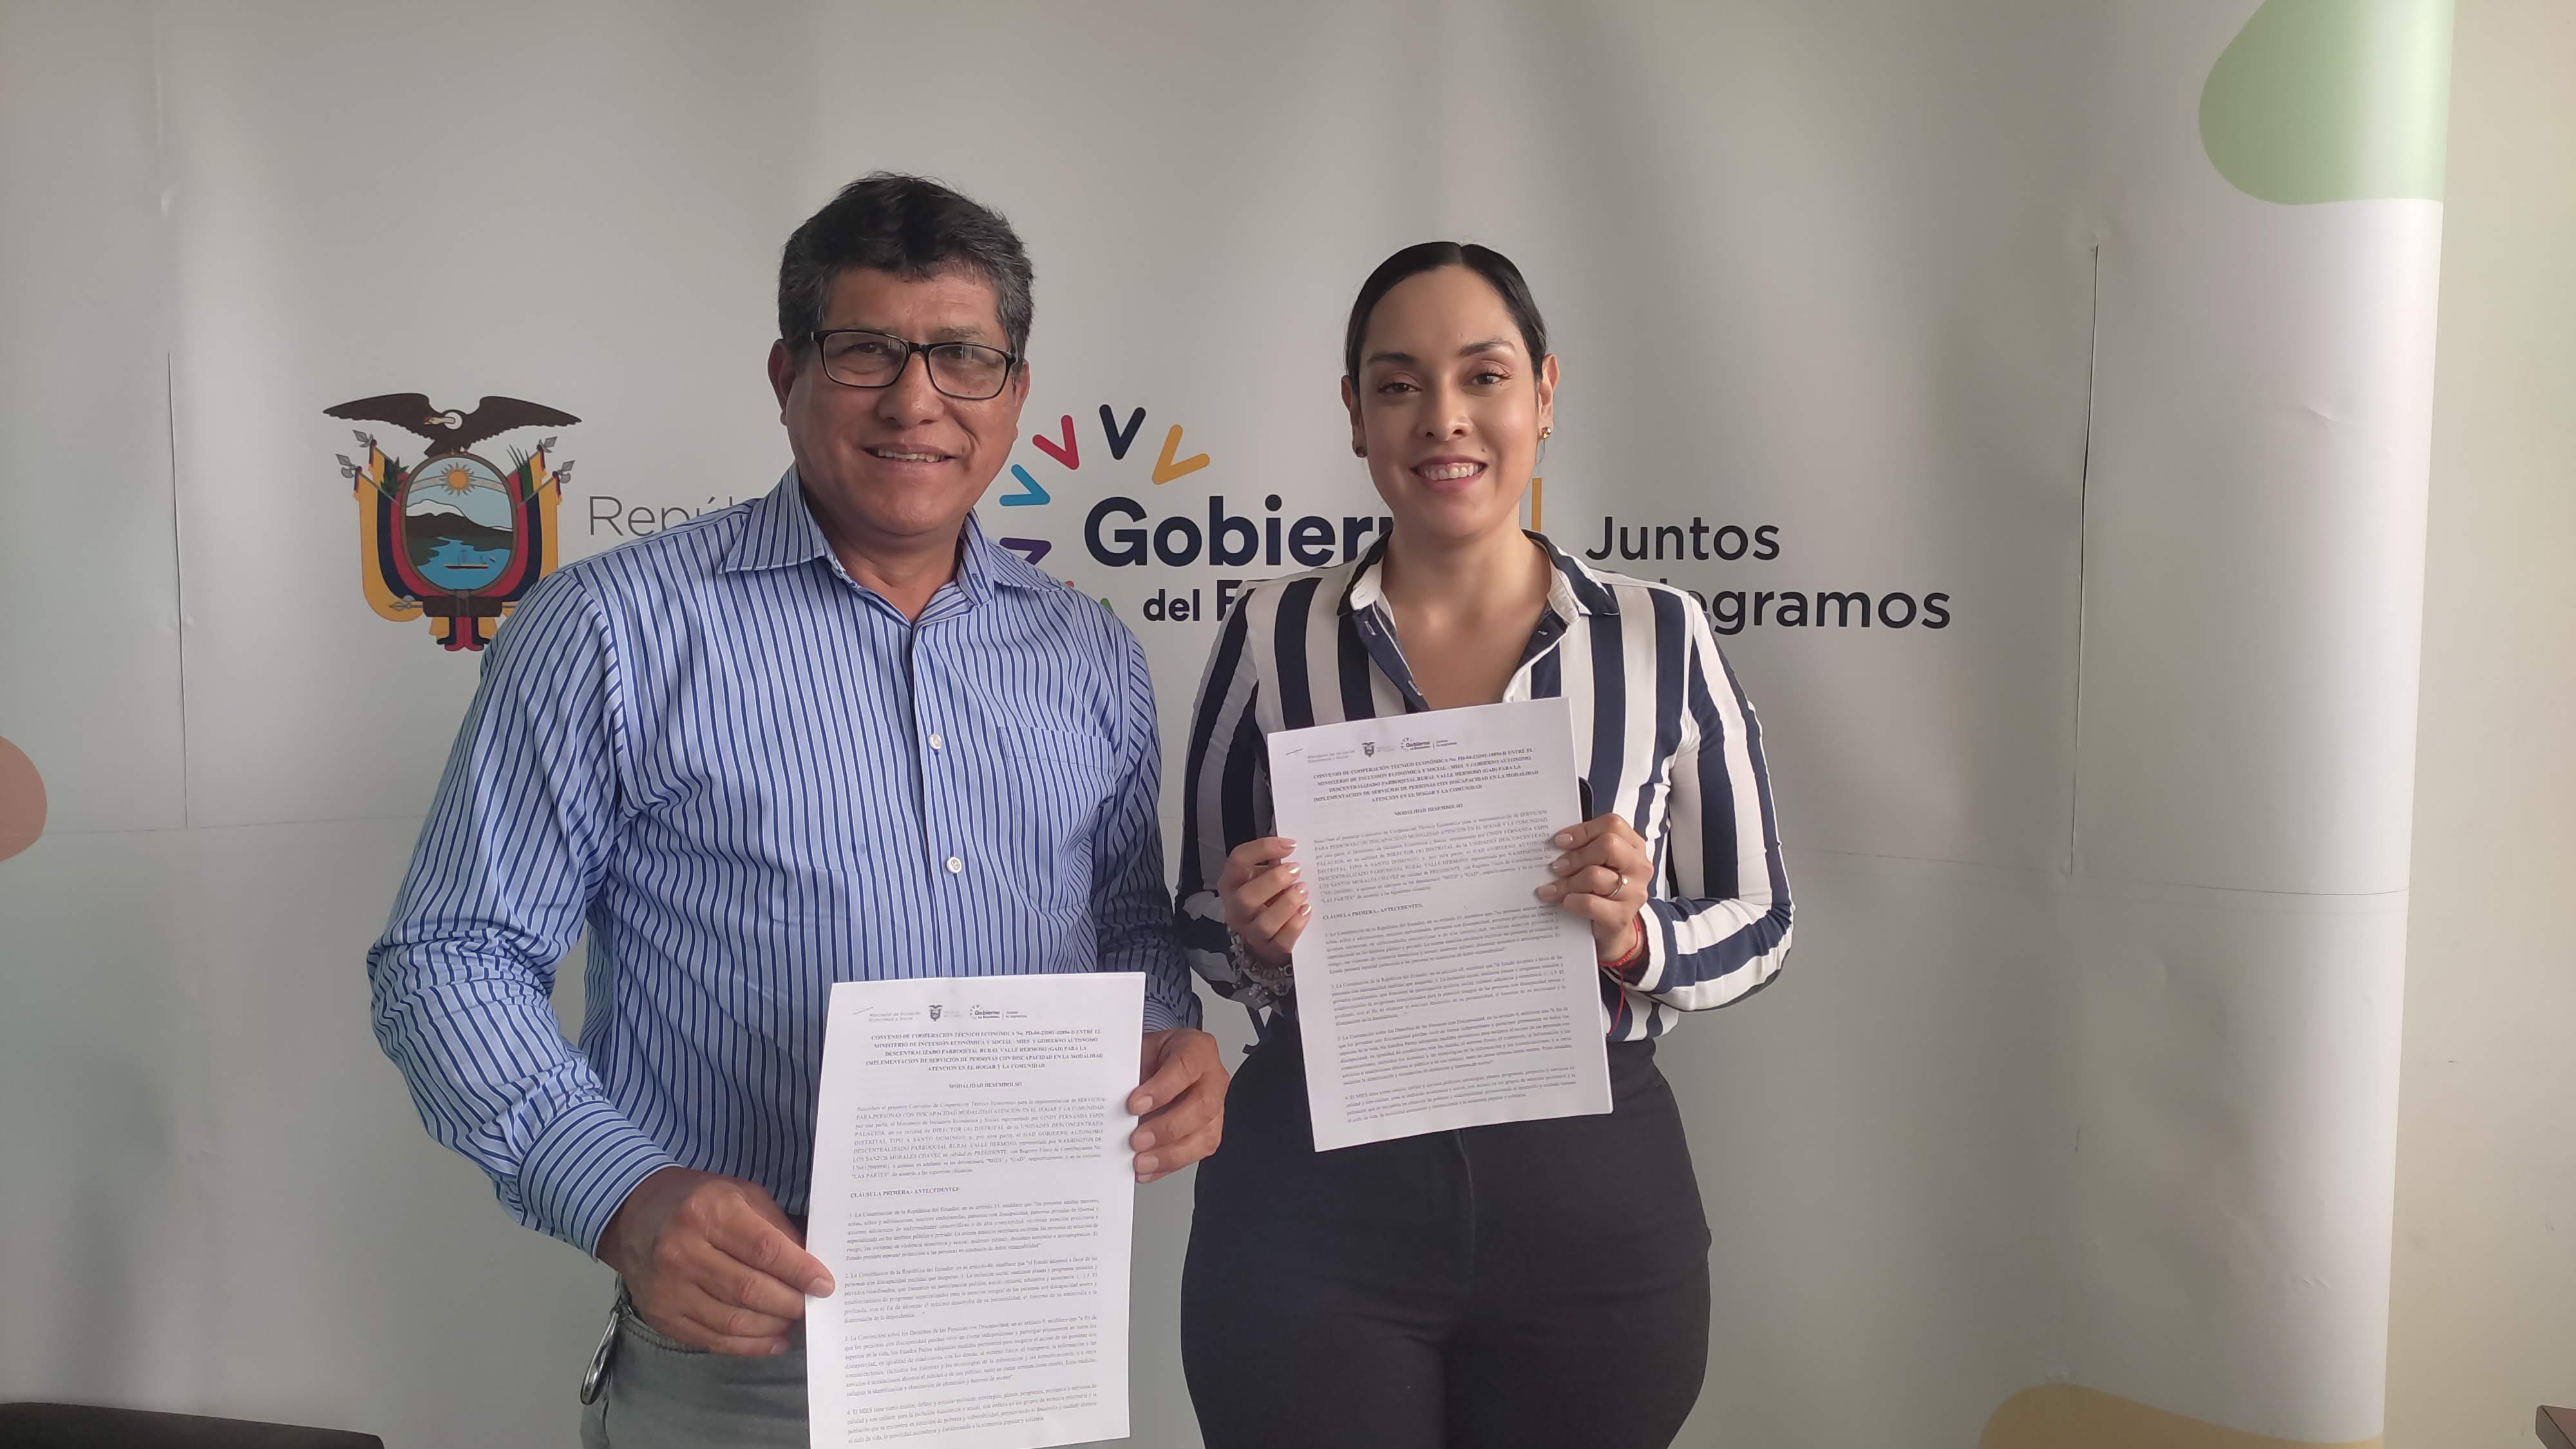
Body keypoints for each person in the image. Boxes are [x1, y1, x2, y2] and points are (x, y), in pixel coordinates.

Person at [366, 173, 1227, 1449]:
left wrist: (1166, 1031)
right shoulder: (612, 630)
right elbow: (450, 957)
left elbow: (1126, 921)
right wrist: (622, 1195)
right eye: (867, 349)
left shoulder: (1089, 655)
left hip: (1027, 1325)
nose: (917, 400)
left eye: (963, 357)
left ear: (1013, 393)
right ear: (787, 375)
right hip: (758, 1360)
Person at [1172, 241, 1795, 1449]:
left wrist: (1635, 938)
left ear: (1544, 395)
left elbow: (1761, 915)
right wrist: (1249, 936)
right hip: (1315, 1195)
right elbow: (1195, 906)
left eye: (1484, 376)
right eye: (1398, 384)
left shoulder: (1660, 635)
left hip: (1588, 1203)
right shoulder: (1273, 631)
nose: (1443, 417)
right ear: (1355, 413)